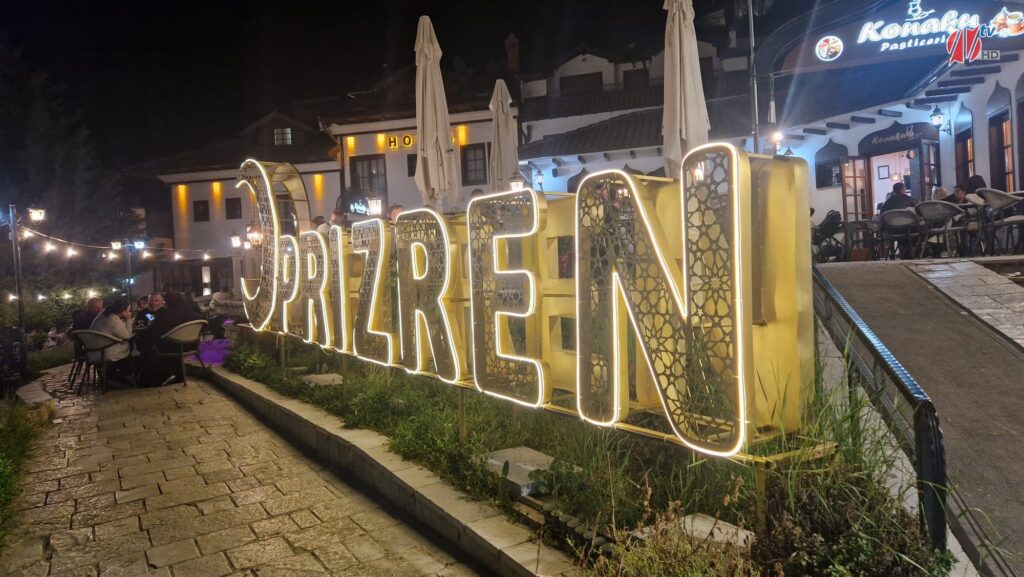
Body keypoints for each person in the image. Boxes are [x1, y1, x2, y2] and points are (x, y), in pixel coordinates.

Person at [139, 291, 202, 386]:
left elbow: (156, 331)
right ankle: (176, 375)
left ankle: (155, 378)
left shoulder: (165, 315)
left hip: (172, 347)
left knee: (149, 347)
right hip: (190, 346)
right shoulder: (192, 314)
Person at [89, 299, 136, 383]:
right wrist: (128, 319)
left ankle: (115, 373)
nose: (129, 312)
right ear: (123, 311)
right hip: (104, 351)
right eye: (128, 310)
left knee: (129, 347)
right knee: (132, 347)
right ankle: (122, 373)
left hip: (93, 350)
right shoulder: (113, 320)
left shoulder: (104, 314)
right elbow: (127, 336)